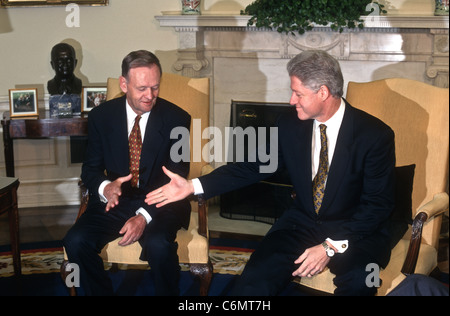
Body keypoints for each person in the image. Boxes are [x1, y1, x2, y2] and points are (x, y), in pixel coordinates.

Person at [146, 50, 396, 296]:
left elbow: (377, 206)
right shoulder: (289, 123)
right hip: (302, 223)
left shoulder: (374, 135)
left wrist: (329, 247)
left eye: (298, 93)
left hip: (356, 231)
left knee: (364, 281)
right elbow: (253, 166)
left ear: (323, 92)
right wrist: (193, 186)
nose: (291, 100)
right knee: (252, 282)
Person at [63, 50, 191, 296]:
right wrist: (105, 187)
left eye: (155, 87)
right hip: (116, 201)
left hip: (160, 202)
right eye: (142, 88)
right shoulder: (101, 116)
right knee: (76, 241)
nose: (150, 96)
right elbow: (90, 169)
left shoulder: (178, 119)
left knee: (158, 245)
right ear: (124, 84)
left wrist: (143, 216)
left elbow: (177, 181)